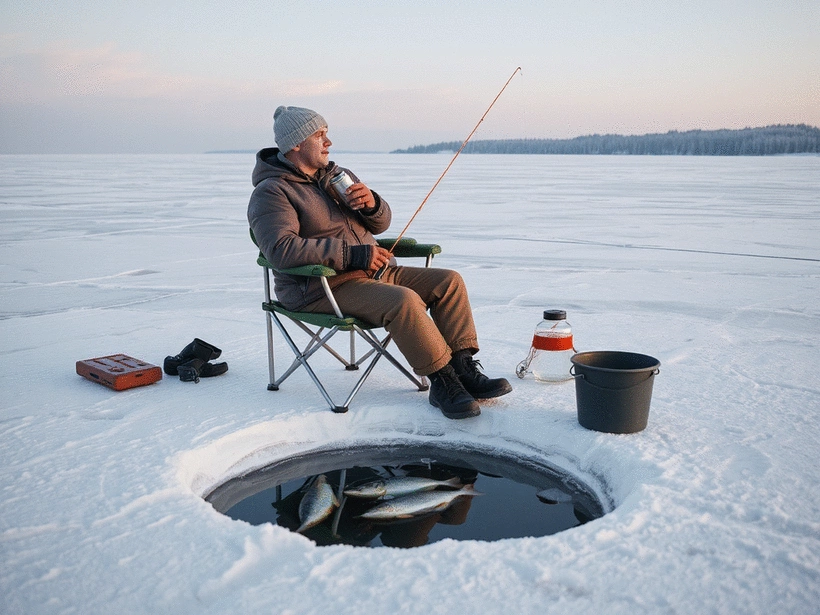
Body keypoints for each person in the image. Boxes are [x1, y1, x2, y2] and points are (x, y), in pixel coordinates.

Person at [248, 106, 511, 419]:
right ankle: (443, 382)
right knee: (403, 300)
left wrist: (372, 204)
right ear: (295, 144)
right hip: (322, 287)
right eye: (319, 135)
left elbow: (380, 224)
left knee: (449, 282)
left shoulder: (337, 176)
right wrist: (352, 255)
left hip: (375, 273)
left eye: (327, 133)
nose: (328, 142)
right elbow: (280, 249)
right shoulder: (272, 192)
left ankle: (463, 369)